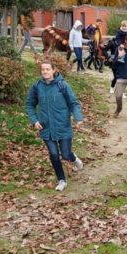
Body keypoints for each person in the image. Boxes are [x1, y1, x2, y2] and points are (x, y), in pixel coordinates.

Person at [25, 61, 84, 192]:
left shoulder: (62, 85)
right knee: (53, 155)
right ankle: (61, 180)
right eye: (43, 70)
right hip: (45, 127)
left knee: (66, 154)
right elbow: (29, 104)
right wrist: (34, 120)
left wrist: (78, 118)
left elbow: (73, 103)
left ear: (53, 70)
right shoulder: (37, 86)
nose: (45, 72)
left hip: (63, 126)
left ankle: (73, 158)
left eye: (47, 69)